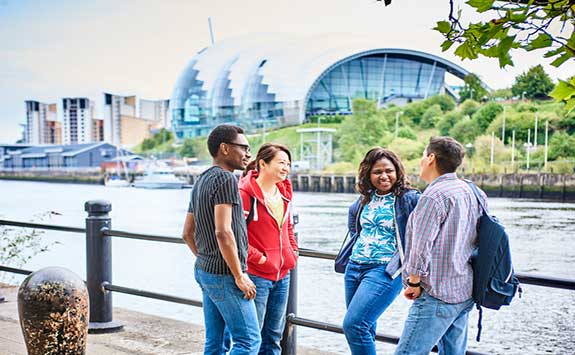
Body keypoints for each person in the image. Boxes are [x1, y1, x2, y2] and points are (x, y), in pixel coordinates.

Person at [395, 136, 486, 355]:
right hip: (464, 289)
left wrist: (413, 281)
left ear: (431, 158)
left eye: (423, 156)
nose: (421, 161)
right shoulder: (473, 192)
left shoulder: (434, 196)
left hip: (437, 293)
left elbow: (420, 246)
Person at [182, 124, 261, 355]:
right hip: (226, 275)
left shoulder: (202, 180)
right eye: (244, 147)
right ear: (225, 148)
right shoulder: (227, 179)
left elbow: (187, 233)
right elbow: (223, 231)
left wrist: (207, 260)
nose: (248, 153)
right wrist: (238, 275)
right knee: (248, 342)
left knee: (215, 344)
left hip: (205, 270)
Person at [342, 147, 420, 355]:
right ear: (368, 174)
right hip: (355, 267)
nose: (384, 176)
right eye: (377, 172)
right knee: (365, 326)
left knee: (354, 325)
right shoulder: (364, 199)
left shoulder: (409, 199)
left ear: (397, 172)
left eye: (389, 170)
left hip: (385, 270)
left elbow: (423, 235)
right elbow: (355, 228)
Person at [238, 143, 298, 355]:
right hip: (257, 275)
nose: (286, 168)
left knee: (274, 335)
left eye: (288, 164)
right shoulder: (245, 193)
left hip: (282, 274)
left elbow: (287, 226)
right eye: (281, 163)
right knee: (252, 335)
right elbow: (237, 236)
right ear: (263, 163)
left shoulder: (284, 191)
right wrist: (261, 259)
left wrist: (292, 252)